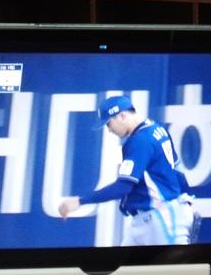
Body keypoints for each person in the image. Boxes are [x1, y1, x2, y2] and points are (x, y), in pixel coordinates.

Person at [58, 95, 196, 246]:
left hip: (162, 220)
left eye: (109, 123)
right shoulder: (157, 129)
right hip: (147, 220)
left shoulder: (140, 140)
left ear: (122, 115)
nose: (109, 130)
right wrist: (187, 197)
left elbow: (122, 187)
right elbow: (177, 170)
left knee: (175, 262)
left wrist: (80, 201)